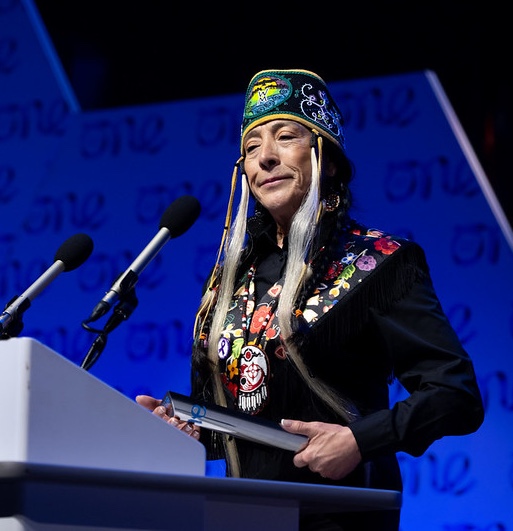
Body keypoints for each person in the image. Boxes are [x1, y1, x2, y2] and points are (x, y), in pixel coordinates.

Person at [136, 69, 484, 530]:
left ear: (329, 159)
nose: (265, 158)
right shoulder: (229, 280)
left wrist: (359, 441)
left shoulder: (379, 264)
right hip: (244, 515)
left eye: (285, 136)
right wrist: (182, 430)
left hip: (342, 512)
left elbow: (454, 394)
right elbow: (241, 422)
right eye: (252, 146)